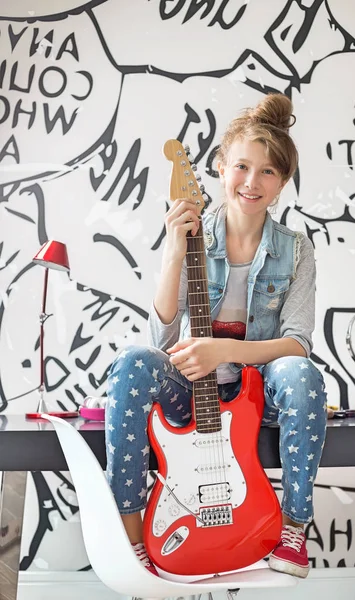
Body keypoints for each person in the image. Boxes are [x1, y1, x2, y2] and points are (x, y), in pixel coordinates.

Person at [105, 92, 327, 579]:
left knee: (299, 372)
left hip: (255, 395)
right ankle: (132, 534)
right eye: (242, 166)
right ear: (221, 166)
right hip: (191, 393)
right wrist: (171, 251)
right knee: (132, 362)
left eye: (268, 171)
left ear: (283, 181)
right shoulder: (195, 234)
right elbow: (163, 336)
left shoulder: (297, 250)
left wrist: (224, 349)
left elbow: (296, 343)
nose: (252, 182)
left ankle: (292, 528)